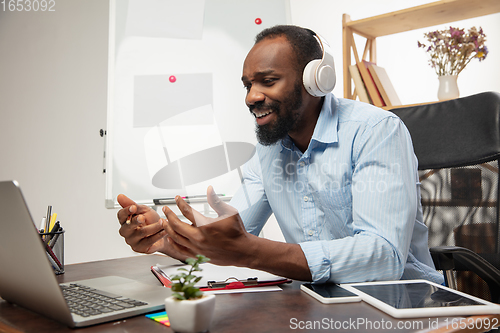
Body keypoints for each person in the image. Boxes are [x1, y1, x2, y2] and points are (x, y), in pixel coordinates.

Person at [117, 25, 444, 284]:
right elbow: (231, 241)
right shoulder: (269, 150)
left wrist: (254, 253)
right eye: (247, 85)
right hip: (317, 302)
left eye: (268, 81)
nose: (251, 97)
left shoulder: (376, 131)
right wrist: (165, 239)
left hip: (402, 302)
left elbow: (382, 257)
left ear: (316, 80)